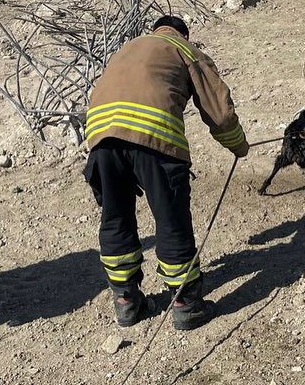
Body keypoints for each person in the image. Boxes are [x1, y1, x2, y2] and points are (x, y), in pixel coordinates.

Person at [83, 16, 250, 330]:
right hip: (152, 138)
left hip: (101, 138)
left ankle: (126, 302)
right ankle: (186, 305)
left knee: (115, 217)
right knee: (171, 221)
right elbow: (219, 110)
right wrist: (239, 146)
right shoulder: (182, 48)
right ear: (183, 33)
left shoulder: (129, 47)